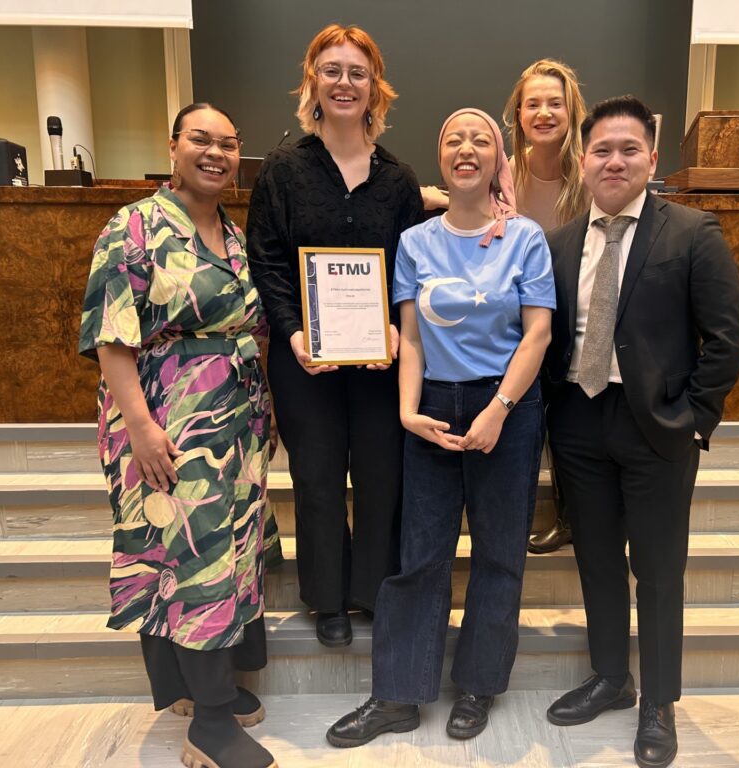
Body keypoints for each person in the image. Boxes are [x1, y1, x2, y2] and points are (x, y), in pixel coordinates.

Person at [326, 108, 555, 747]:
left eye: (480, 139)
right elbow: (414, 338)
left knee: (499, 553)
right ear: (440, 155)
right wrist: (406, 411)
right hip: (430, 408)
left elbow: (537, 331)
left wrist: (498, 410)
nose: (466, 149)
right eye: (453, 138)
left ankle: (478, 685)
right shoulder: (416, 241)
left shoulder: (526, 238)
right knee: (418, 555)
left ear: (496, 157)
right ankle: (398, 694)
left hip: (507, 406)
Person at [542, 96, 739, 768]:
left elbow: (727, 340)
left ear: (652, 160)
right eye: (601, 149)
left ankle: (657, 700)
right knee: (597, 561)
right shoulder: (561, 241)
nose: (614, 160)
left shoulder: (693, 232)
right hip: (578, 421)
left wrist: (693, 419)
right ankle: (611, 677)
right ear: (584, 160)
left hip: (657, 428)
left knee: (657, 572)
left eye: (629, 149)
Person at [78, 103, 280, 768]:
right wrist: (139, 428)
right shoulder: (134, 226)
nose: (215, 152)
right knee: (194, 561)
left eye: (228, 142)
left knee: (228, 554)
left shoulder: (232, 230)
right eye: (201, 139)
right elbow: (112, 336)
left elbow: (248, 327)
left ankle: (196, 688)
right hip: (166, 419)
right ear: (173, 146)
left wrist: (266, 410)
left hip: (235, 420)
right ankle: (212, 726)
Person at [246, 24, 423, 648]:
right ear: (311, 83)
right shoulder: (282, 173)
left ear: (375, 88)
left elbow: (411, 268)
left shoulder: (399, 181)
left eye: (357, 72)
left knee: (381, 474)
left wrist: (401, 333)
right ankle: (327, 599)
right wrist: (292, 333)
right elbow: (266, 261)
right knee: (318, 478)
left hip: (381, 364)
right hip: (305, 362)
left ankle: (372, 589)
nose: (345, 82)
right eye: (332, 70)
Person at [502, 58, 589, 554]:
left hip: (575, 316)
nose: (544, 112)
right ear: (518, 113)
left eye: (554, 103)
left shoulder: (590, 177)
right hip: (515, 321)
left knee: (568, 423)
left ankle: (571, 515)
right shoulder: (505, 175)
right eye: (532, 103)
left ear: (571, 110)